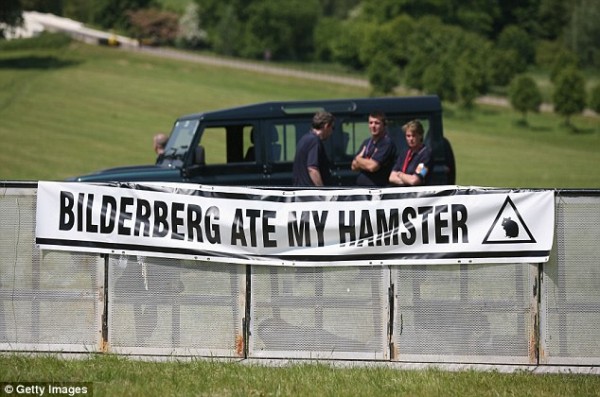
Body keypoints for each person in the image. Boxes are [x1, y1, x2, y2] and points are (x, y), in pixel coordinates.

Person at [351, 111, 397, 186]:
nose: (373, 126)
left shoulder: (386, 143)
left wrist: (359, 159)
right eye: (371, 123)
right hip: (362, 189)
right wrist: (366, 162)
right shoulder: (367, 142)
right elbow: (353, 166)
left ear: (384, 125)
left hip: (377, 190)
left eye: (377, 123)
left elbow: (372, 166)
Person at [292, 111, 335, 186]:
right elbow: (312, 169)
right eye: (332, 128)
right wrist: (323, 192)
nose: (331, 132)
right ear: (326, 126)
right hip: (310, 194)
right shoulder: (314, 141)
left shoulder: (304, 139)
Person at [389, 120, 432, 186]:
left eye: (413, 136)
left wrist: (400, 174)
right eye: (408, 136)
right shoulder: (404, 153)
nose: (411, 139)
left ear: (420, 136)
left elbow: (415, 180)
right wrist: (407, 179)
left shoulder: (425, 155)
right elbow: (391, 177)